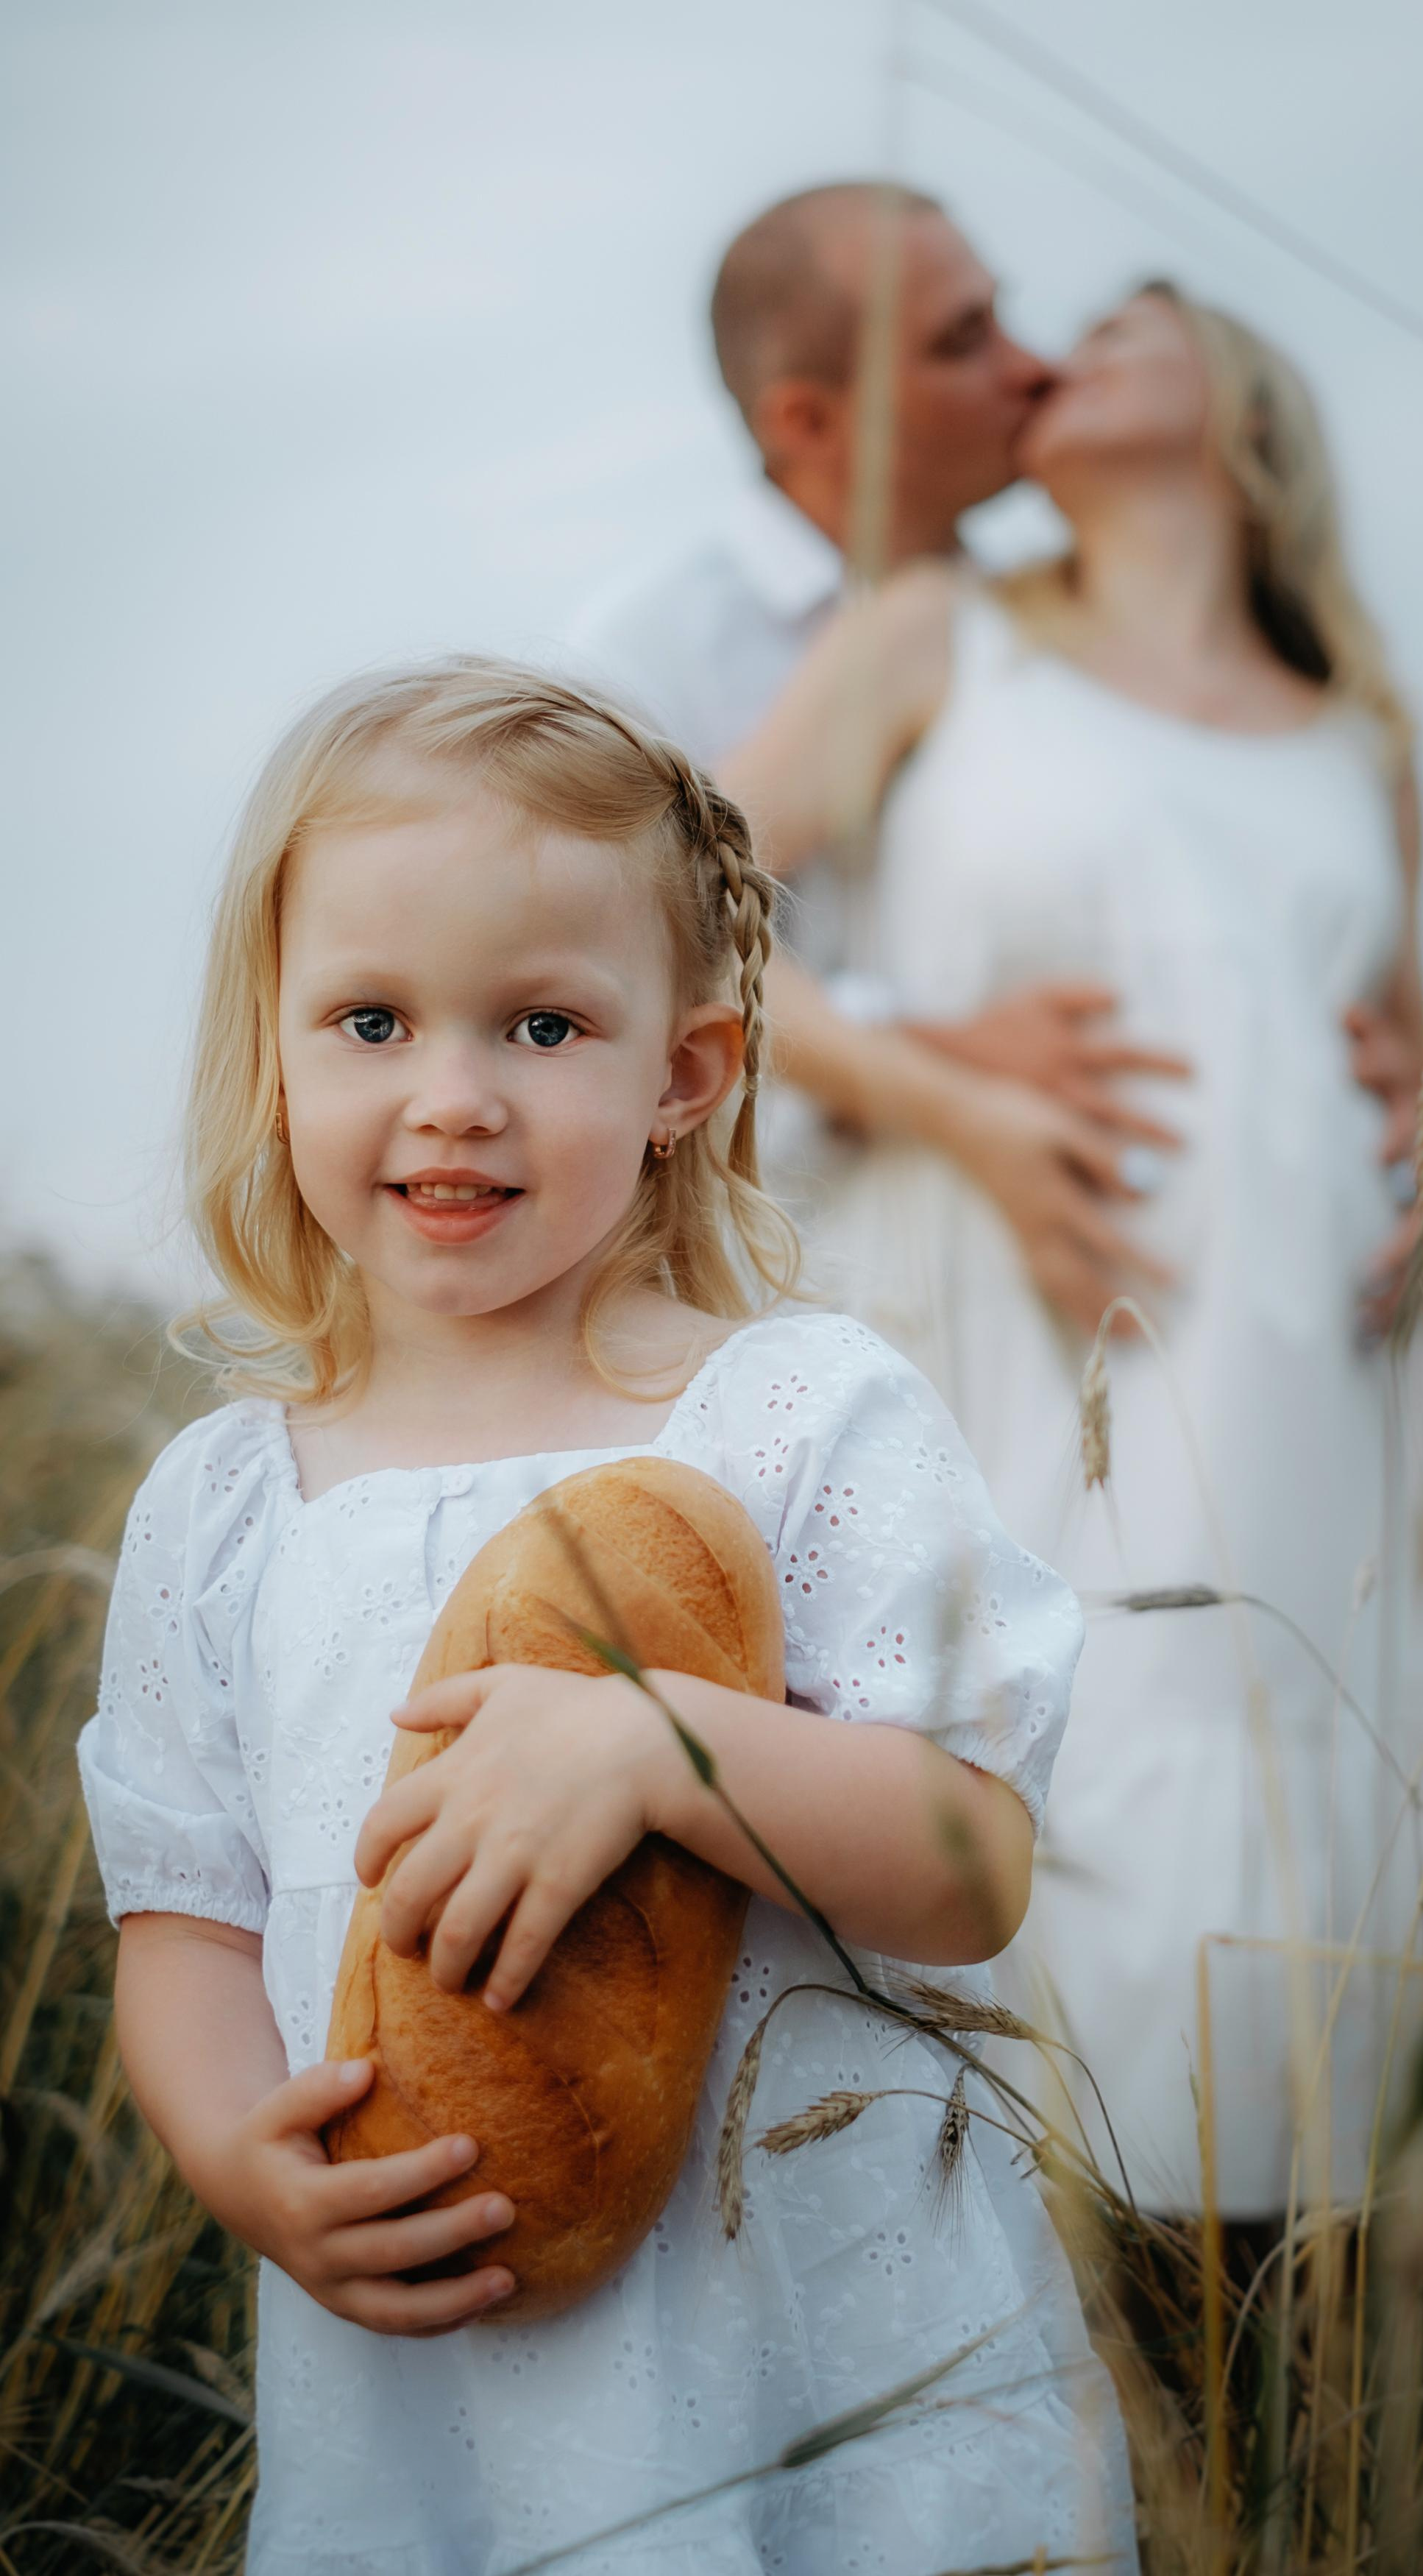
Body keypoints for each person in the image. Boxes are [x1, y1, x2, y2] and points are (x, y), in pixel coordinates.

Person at [77, 659, 1137, 2574]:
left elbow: (970, 1862)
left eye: (544, 1023)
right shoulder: (224, 1508)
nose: (453, 1095)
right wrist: (242, 2157)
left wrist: (666, 1749)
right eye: (373, 1019)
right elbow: (187, 1920)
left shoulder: (798, 1419)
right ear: (277, 1052)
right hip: (438, 2359)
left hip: (813, 2333)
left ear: (684, 1076)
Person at [717, 284, 1423, 2218]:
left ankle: (1288, 2292)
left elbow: (1400, 1042)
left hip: (1317, 1369)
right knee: (1069, 1731)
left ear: (1244, 411)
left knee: (1306, 1764)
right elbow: (680, 905)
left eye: (1133, 318)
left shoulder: (1362, 731)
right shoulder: (938, 636)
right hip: (1025, 1312)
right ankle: (1031, 2243)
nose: (1068, 340)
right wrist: (947, 1091)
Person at [567, 180, 1190, 1340]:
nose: (1032, 368)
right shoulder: (640, 659)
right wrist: (933, 1047)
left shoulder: (1057, 630)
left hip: (1114, 1250)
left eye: (1003, 315)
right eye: (963, 341)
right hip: (794, 1297)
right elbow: (602, 973)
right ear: (807, 423)